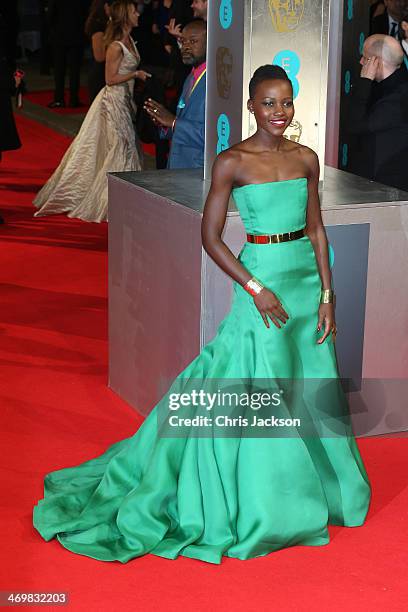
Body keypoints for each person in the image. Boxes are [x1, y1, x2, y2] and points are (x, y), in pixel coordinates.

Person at [32, 64, 371, 565]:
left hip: (304, 281)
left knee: (309, 378)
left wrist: (327, 294)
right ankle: (269, 503)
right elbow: (210, 238)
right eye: (269, 103)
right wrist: (255, 287)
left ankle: (324, 488)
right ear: (252, 107)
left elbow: (318, 230)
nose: (279, 112)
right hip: (262, 279)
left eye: (286, 102)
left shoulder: (306, 159)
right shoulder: (232, 161)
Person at [33, 0, 150, 223]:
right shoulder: (116, 46)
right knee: (121, 146)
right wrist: (135, 75)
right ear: (126, 15)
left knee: (123, 146)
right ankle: (114, 200)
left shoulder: (131, 40)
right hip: (113, 101)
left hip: (125, 100)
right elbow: (110, 79)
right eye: (135, 11)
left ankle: (124, 196)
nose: (138, 14)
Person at [144, 18, 206, 168]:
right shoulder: (191, 76)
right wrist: (164, 124)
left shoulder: (217, 84)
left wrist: (173, 122)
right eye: (183, 42)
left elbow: (213, 136)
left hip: (197, 171)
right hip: (178, 166)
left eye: (193, 41)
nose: (185, 47)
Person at [348, 34, 408, 191]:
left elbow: (355, 125)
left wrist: (364, 81)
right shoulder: (387, 87)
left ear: (377, 62)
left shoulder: (399, 97)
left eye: (365, 57)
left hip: (386, 191)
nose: (361, 62)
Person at [47, 0, 90, 108]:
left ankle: (59, 99)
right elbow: (86, 13)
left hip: (60, 35)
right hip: (76, 35)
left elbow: (50, 15)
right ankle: (73, 99)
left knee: (59, 70)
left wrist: (53, 29)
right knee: (74, 70)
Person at [85, 0, 115, 103]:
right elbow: (100, 56)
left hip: (105, 73)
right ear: (106, 6)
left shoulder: (107, 23)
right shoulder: (98, 26)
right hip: (99, 76)